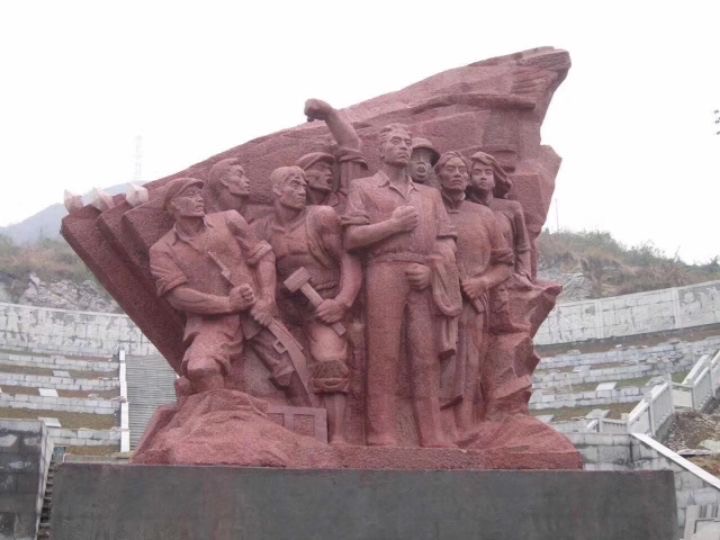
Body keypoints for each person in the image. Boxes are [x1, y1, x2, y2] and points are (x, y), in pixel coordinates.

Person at [342, 123, 458, 448]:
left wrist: (433, 270)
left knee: (425, 356)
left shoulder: (430, 195)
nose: (404, 146)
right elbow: (351, 238)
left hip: (422, 274)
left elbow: (447, 240)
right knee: (384, 353)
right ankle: (380, 432)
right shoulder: (364, 188)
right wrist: (392, 226)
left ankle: (432, 433)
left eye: (407, 142)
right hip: (383, 270)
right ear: (380, 150)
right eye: (396, 141)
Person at [149, 177, 313, 405]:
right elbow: (178, 296)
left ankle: (311, 418)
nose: (199, 199)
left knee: (295, 370)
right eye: (191, 195)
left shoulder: (229, 220)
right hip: (214, 321)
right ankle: (224, 418)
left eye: (199, 194)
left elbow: (263, 255)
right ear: (174, 204)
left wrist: (267, 299)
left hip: (257, 311)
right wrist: (228, 304)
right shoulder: (162, 250)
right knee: (201, 368)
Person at [253, 166, 362, 443]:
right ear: (276, 190)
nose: (302, 190)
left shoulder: (321, 217)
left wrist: (342, 302)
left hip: (324, 304)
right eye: (294, 184)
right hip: (285, 309)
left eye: (304, 185)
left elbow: (349, 259)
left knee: (330, 361)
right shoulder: (261, 228)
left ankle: (337, 438)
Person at [435, 151, 513, 435]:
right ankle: (439, 428)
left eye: (461, 170)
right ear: (438, 176)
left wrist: (482, 282)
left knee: (470, 363)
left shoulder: (483, 215)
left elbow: (505, 264)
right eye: (450, 169)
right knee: (437, 363)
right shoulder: (430, 209)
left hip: (473, 302)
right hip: (435, 300)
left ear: (468, 178)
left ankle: (466, 424)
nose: (457, 174)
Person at [297, 99, 368, 211]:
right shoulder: (292, 211)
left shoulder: (344, 201)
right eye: (321, 168)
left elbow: (351, 144)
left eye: (329, 169)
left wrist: (330, 114)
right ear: (304, 176)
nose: (329, 173)